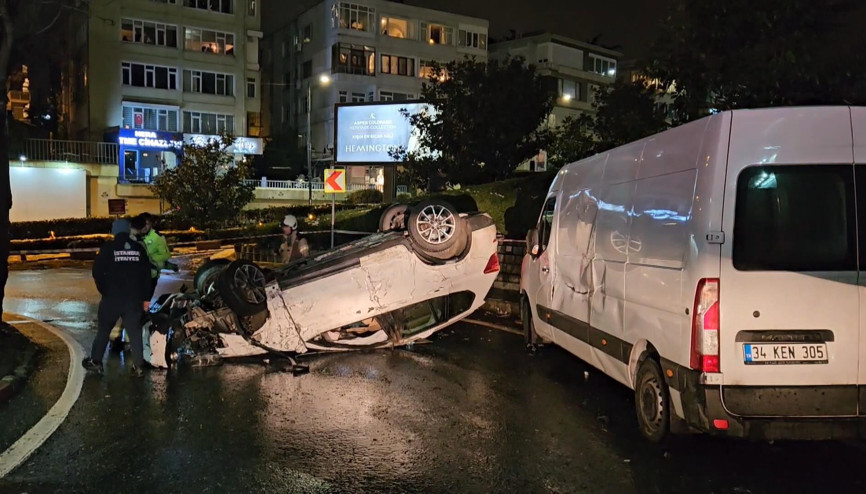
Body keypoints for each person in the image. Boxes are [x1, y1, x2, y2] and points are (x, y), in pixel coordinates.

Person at [82, 219, 153, 376]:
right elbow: (147, 276)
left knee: (103, 330)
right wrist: (145, 298)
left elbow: (97, 272)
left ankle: (96, 361)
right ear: (128, 231)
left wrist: (104, 290)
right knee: (134, 333)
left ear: (114, 232)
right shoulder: (138, 249)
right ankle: (138, 366)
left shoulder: (108, 249)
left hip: (112, 298)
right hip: (134, 300)